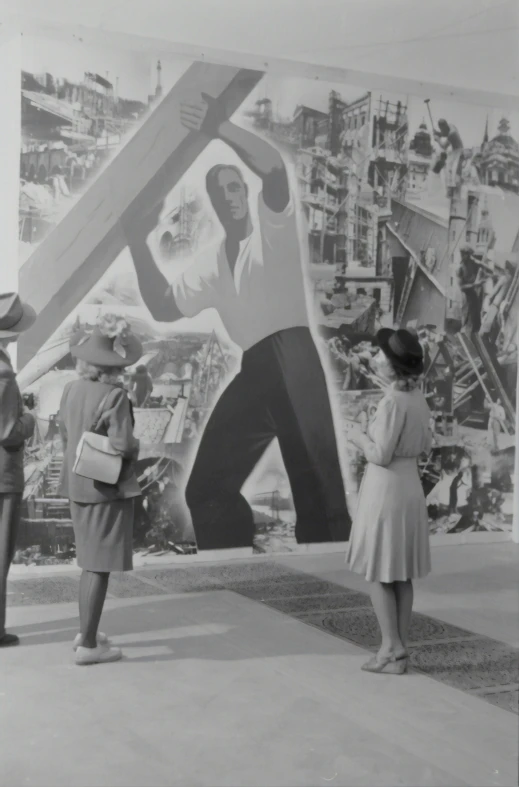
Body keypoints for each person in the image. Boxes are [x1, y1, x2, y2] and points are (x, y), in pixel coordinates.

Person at [122, 91, 350, 550]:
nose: (229, 197)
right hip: (258, 368)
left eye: (234, 188)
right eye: (219, 192)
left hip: (294, 357)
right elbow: (164, 305)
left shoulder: (273, 230)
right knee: (206, 488)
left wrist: (217, 125)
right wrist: (136, 243)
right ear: (212, 202)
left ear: (245, 193)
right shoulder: (211, 264)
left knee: (320, 498)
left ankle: (335, 589)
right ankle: (234, 570)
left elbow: (273, 168)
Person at [346, 328, 432, 674]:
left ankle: (389, 648)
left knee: (379, 572)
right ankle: (398, 653)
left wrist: (357, 436)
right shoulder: (418, 399)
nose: (377, 357)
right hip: (410, 486)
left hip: (386, 490)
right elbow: (425, 444)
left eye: (382, 354)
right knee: (401, 574)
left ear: (393, 366)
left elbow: (379, 455)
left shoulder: (393, 400)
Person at [58, 315, 142, 665]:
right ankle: (89, 646)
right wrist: (137, 444)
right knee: (98, 567)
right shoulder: (116, 396)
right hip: (105, 489)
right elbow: (123, 445)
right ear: (115, 365)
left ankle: (85, 632)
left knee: (88, 563)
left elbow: (65, 435)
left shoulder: (70, 389)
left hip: (76, 483)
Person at [0, 293, 37, 647]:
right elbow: (9, 431)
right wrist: (30, 418)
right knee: (0, 552)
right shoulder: (3, 371)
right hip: (2, 474)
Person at [479, 260, 515, 339]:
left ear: (506, 270)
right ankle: (490, 338)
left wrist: (487, 298)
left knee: (486, 325)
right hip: (502, 303)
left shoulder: (503, 278)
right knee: (492, 324)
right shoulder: (511, 278)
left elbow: (494, 291)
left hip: (496, 303)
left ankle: (482, 338)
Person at [457, 245, 485, 334]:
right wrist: (475, 284)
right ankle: (465, 333)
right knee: (466, 317)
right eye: (461, 254)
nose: (462, 256)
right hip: (466, 295)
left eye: (464, 254)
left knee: (476, 316)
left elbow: (481, 264)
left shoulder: (472, 263)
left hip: (473, 293)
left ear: (468, 255)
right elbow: (461, 287)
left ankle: (475, 333)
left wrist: (488, 271)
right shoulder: (460, 269)